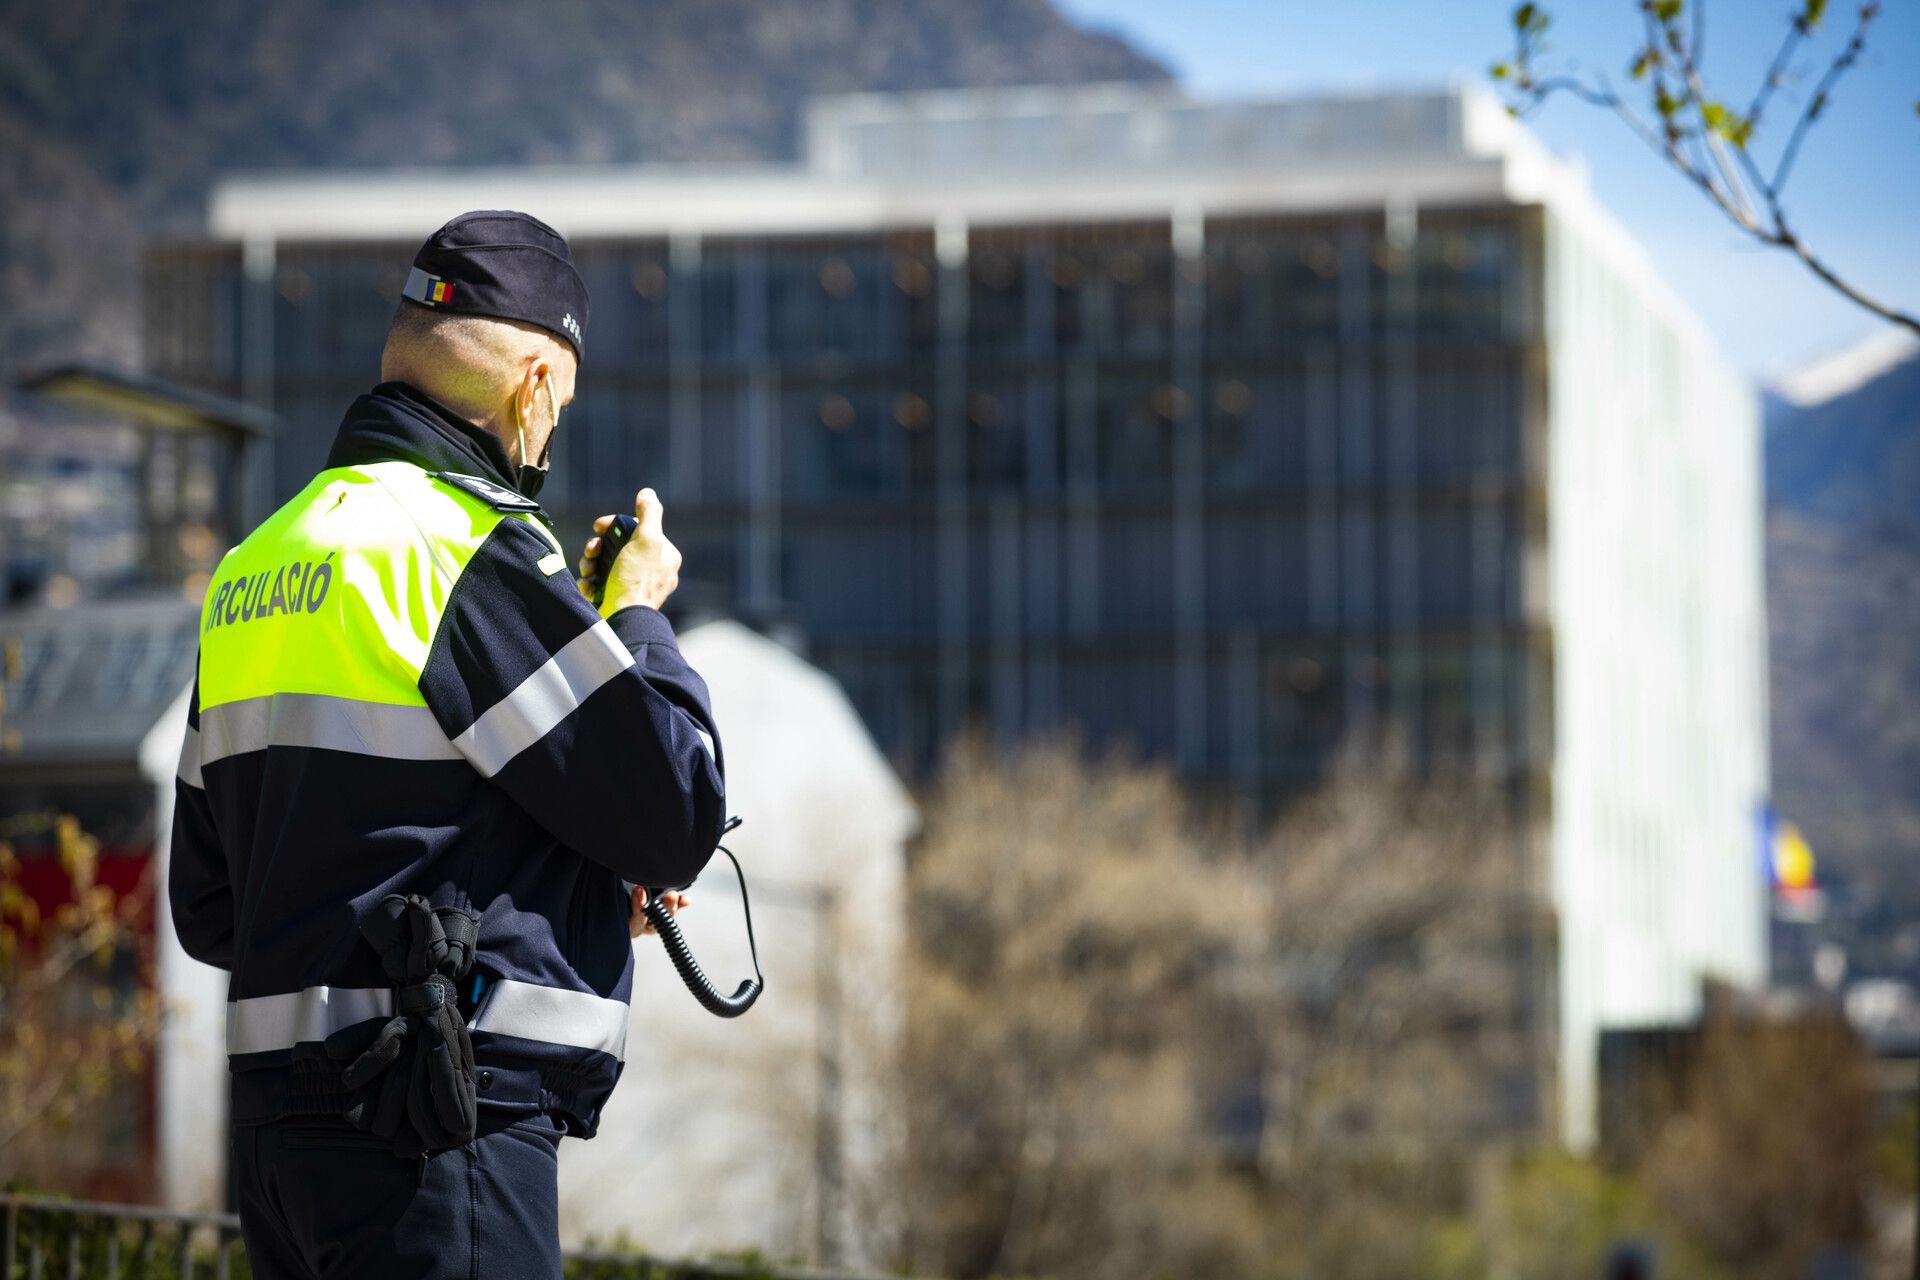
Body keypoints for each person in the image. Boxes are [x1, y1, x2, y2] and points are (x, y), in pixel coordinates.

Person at [167, 210, 726, 1278]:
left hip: (280, 1152)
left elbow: (215, 903)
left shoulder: (255, 564)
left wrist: (557, 896)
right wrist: (640, 614)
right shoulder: (464, 549)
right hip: (436, 1127)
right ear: (536, 390)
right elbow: (677, 811)